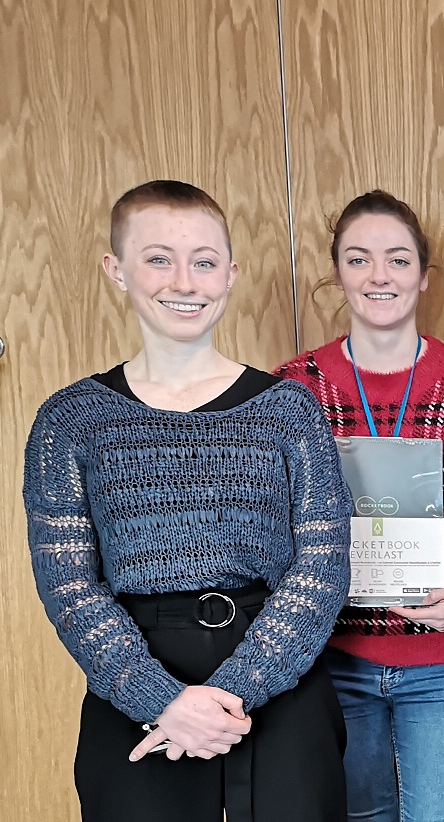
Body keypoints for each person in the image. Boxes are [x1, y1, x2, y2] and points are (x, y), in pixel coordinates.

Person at [24, 180, 350, 821]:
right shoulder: (71, 419)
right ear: (116, 271)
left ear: (230, 274)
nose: (185, 281)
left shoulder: (287, 411)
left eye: (203, 261)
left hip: (279, 679)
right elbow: (68, 586)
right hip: (135, 689)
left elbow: (323, 565)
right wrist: (164, 702)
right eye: (157, 259)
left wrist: (231, 692)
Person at [277, 190, 444, 822]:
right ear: (337, 275)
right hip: (328, 661)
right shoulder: (291, 390)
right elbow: (260, 529)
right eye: (359, 259)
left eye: (397, 259)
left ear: (424, 276)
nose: (379, 275)